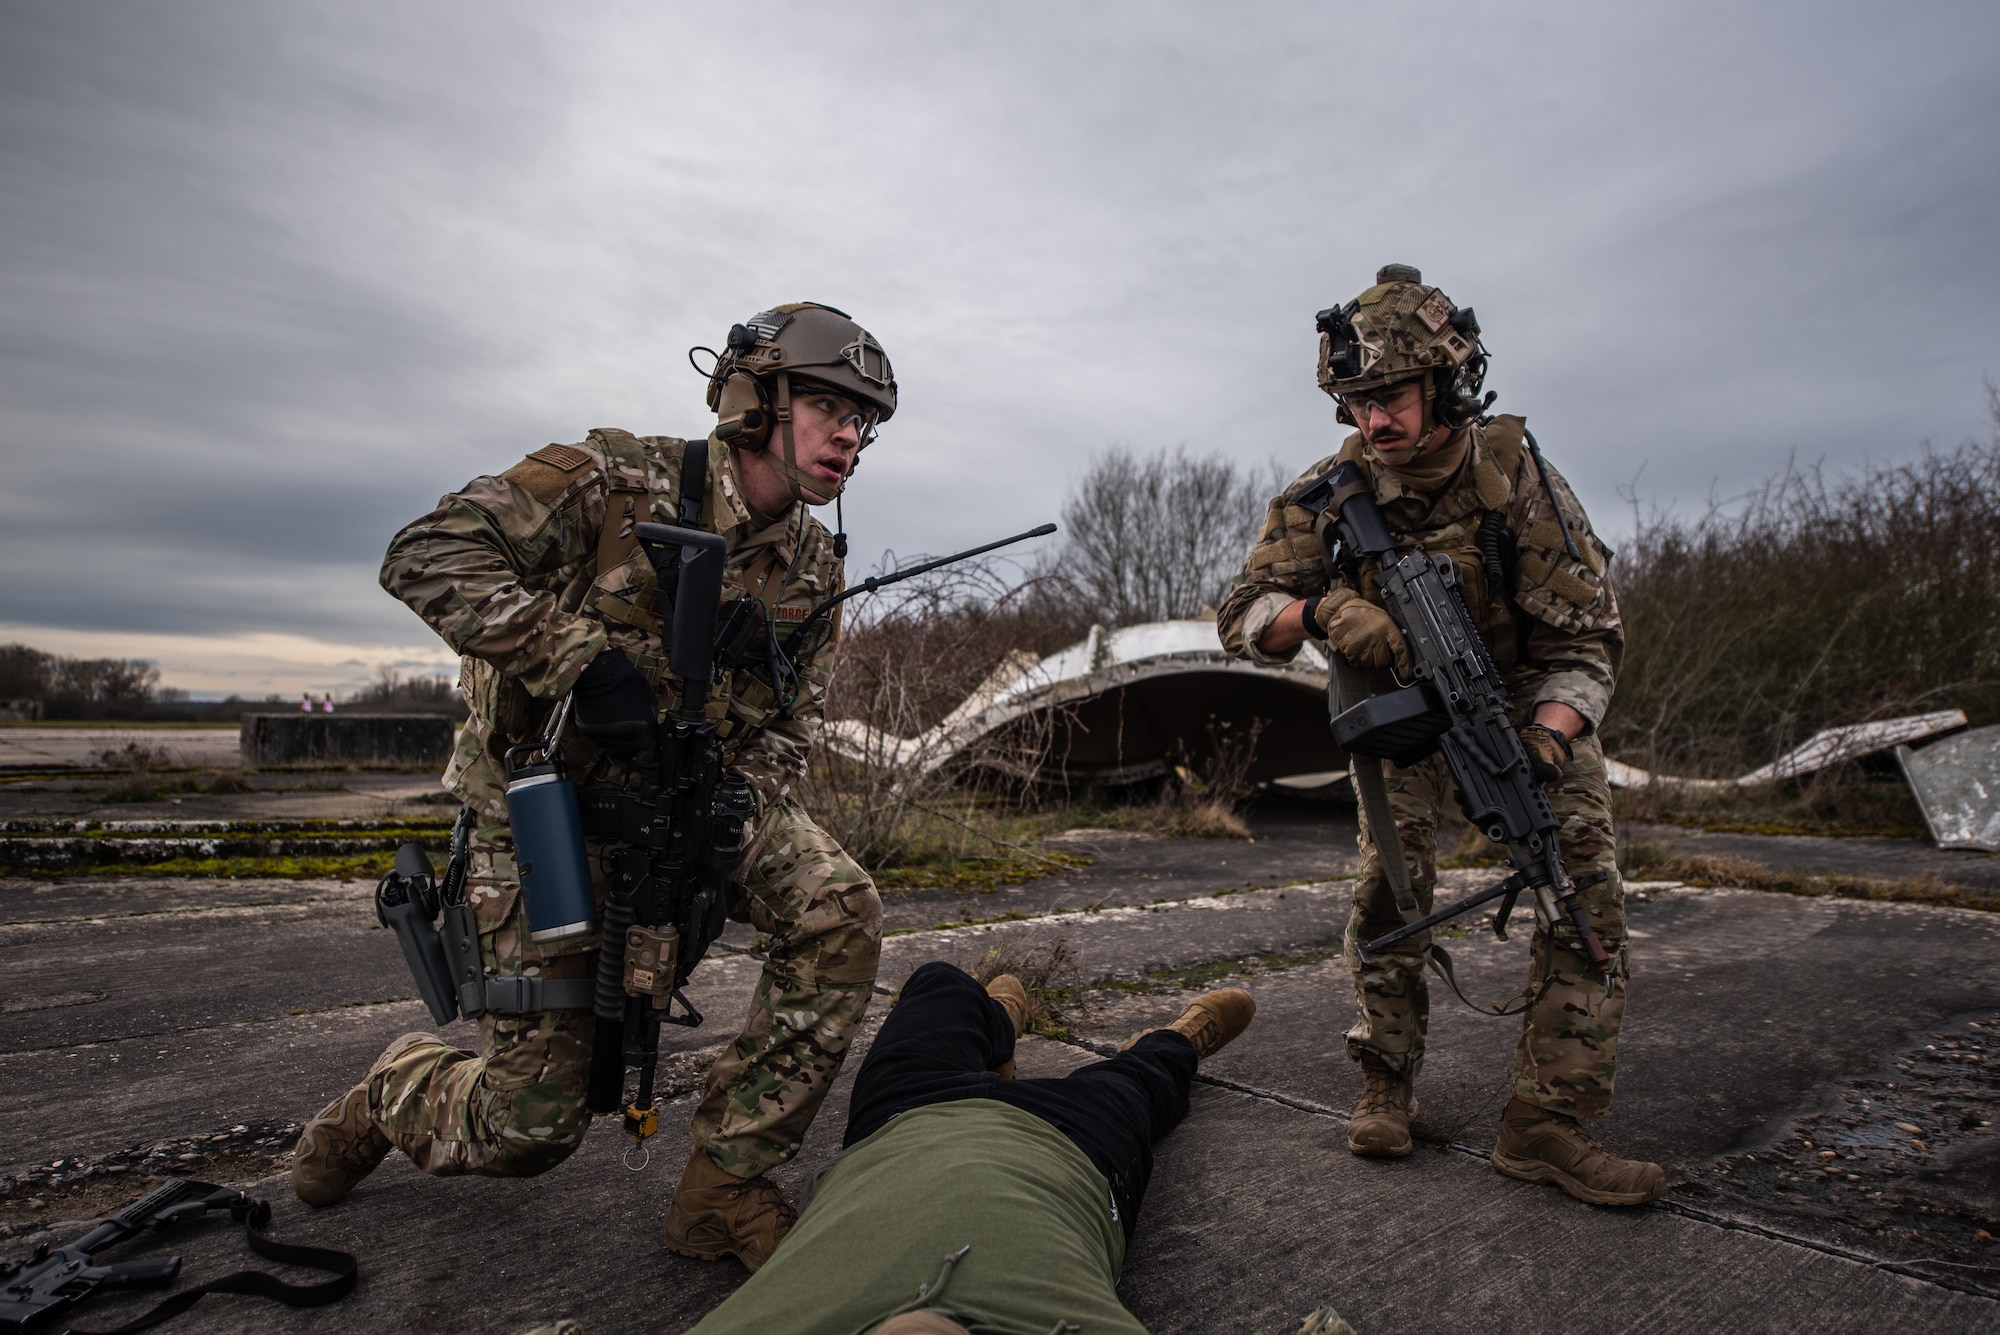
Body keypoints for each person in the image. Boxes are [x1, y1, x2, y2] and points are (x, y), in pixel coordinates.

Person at [289, 302, 900, 1269]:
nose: (849, 435)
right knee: (534, 1124)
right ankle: (395, 1088)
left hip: (687, 799)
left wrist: (729, 803)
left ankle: (726, 1182)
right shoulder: (617, 480)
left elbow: (793, 726)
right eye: (828, 405)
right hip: (537, 805)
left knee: (839, 909)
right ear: (756, 399)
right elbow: (427, 551)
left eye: (864, 420)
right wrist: (574, 658)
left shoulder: (814, 564)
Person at [1217, 265, 1665, 1207]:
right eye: (1358, 400)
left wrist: (1547, 739)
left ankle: (1545, 1120)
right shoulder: (1325, 495)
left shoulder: (1516, 481)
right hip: (1400, 711)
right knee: (1393, 881)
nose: (1375, 420)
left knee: (1578, 889)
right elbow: (1242, 614)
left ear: (1446, 386)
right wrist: (1327, 607)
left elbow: (1587, 638)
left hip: (1522, 704)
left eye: (1393, 397)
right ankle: (1388, 1076)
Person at [686, 961, 1293, 1335]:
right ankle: (1175, 1040)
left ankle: (998, 1026)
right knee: (1145, 1079)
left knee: (937, 984)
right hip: (1071, 1147)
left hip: (901, 1121)